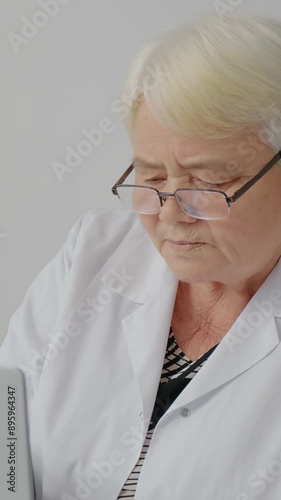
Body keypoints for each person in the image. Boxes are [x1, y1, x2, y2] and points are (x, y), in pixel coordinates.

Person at [2, 12, 281, 500]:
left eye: (210, 183)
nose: (171, 213)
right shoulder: (93, 254)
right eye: (152, 177)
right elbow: (9, 425)